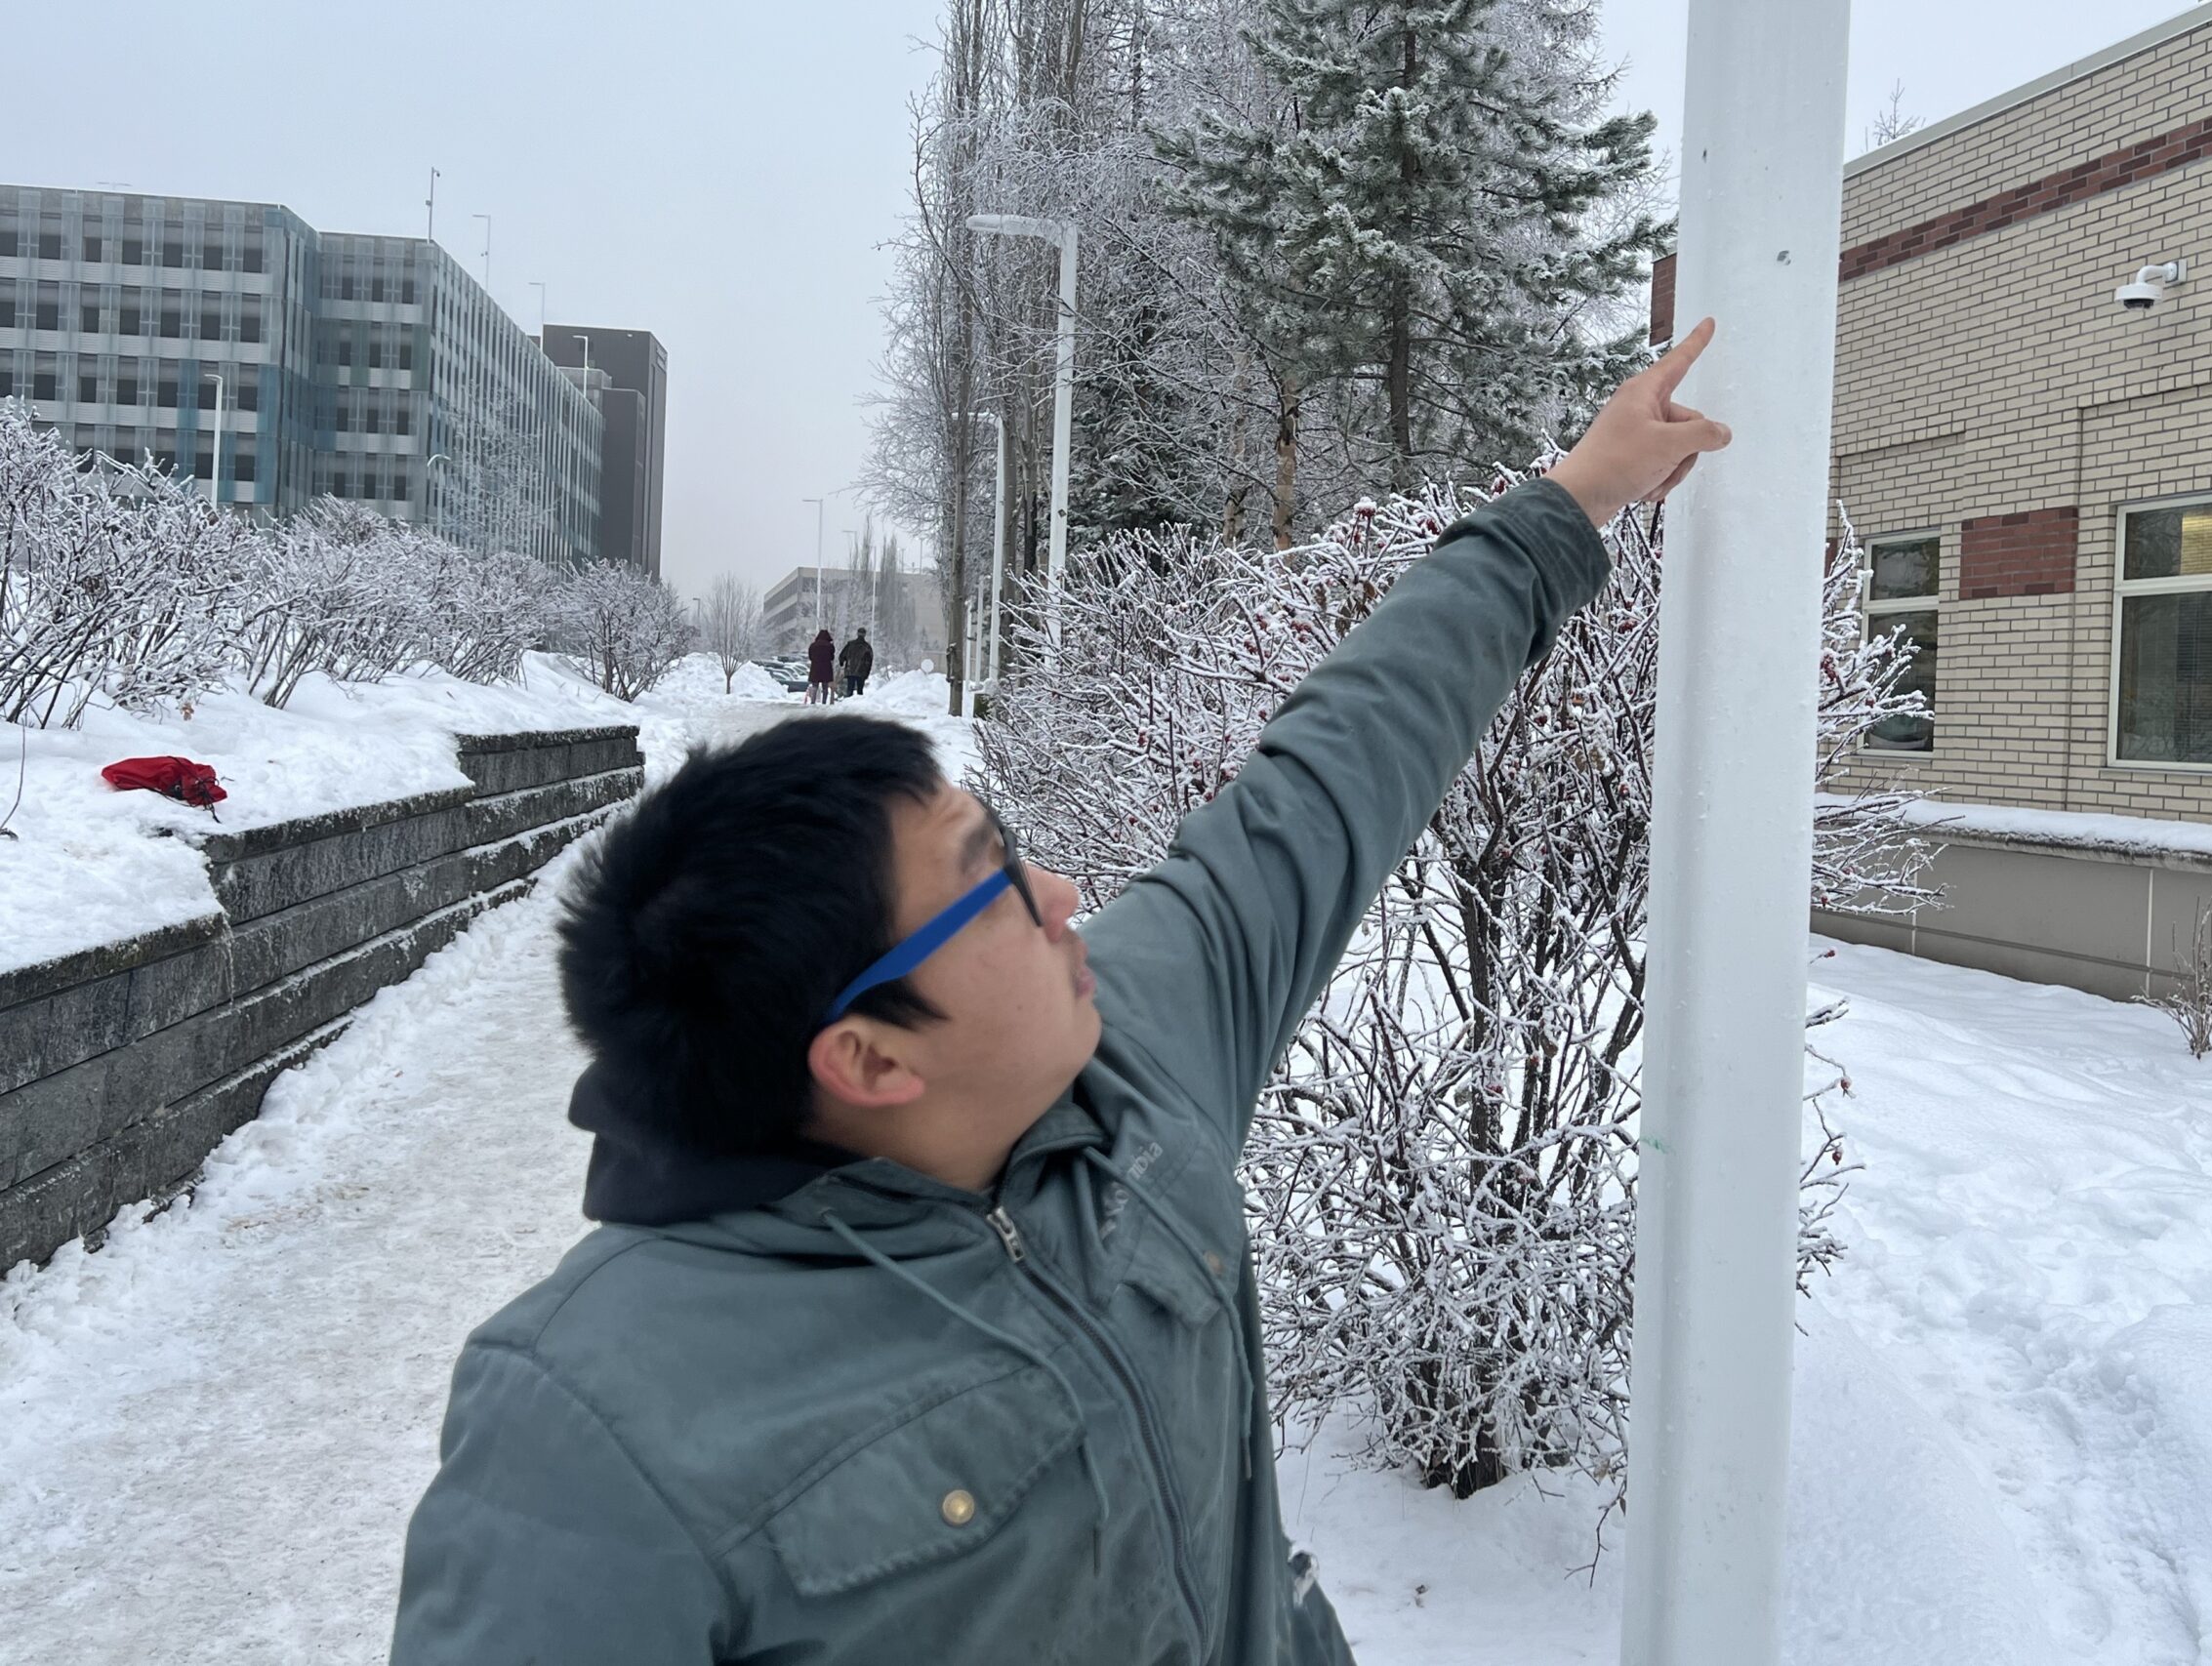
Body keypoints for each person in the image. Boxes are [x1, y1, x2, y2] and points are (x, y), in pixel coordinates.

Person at [389, 321, 1731, 1665]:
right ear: (863, 1054)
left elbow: (1335, 768)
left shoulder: (1132, 1059)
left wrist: (1573, 501)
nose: (1066, 895)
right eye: (996, 887)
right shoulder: (590, 1425)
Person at [838, 628, 873, 698]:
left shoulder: (850, 644)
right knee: (860, 690)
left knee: (850, 688)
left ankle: (849, 702)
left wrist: (842, 663)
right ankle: (858, 705)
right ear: (865, 635)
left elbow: (842, 655)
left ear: (857, 633)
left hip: (850, 670)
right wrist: (867, 672)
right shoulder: (867, 647)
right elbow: (869, 661)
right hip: (862, 671)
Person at [804, 628, 836, 707]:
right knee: (825, 686)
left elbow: (810, 657)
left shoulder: (813, 645)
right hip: (826, 668)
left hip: (815, 668)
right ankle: (824, 702)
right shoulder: (830, 646)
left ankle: (813, 701)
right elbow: (832, 657)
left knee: (815, 685)